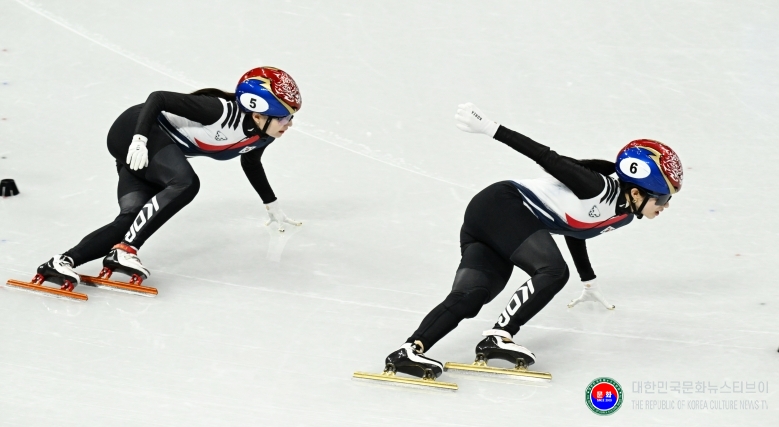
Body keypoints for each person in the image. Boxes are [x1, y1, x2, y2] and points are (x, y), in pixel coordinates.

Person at [383, 102, 683, 379]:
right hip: (502, 205)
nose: (666, 206)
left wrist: (588, 281)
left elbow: (576, 229)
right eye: (663, 197)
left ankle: (408, 351)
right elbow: (545, 156)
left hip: (496, 221)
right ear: (635, 192)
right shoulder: (597, 187)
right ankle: (499, 336)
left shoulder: (624, 214)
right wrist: (490, 127)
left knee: (473, 293)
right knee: (553, 271)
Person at [35, 66, 303, 290]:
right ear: (257, 113)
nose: (289, 124)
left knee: (132, 218)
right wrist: (139, 140)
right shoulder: (219, 111)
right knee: (186, 182)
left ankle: (61, 262)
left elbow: (251, 162)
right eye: (285, 117)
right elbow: (158, 97)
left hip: (152, 152)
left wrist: (272, 206)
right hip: (133, 130)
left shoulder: (262, 135)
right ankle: (125, 251)